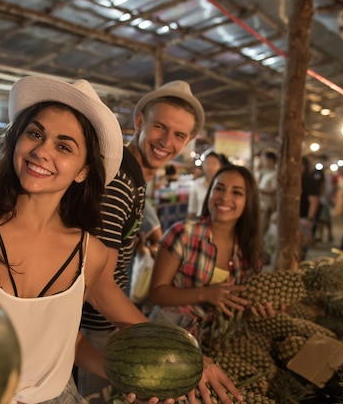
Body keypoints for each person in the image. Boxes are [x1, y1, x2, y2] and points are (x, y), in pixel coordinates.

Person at [0, 76, 124, 404]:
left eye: (63, 146)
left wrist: (130, 377)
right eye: (35, 133)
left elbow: (65, 342)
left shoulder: (91, 254)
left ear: (83, 171)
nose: (42, 150)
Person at [78, 81, 242, 404]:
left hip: (103, 324)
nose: (167, 142)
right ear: (139, 121)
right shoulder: (119, 182)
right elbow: (97, 285)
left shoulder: (134, 180)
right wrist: (172, 349)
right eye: (159, 127)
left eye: (180, 135)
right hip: (87, 328)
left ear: (190, 140)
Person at [147, 165, 268, 340]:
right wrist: (205, 293)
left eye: (237, 192)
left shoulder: (251, 251)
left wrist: (261, 310)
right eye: (219, 188)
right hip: (170, 332)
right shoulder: (183, 234)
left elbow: (240, 306)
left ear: (248, 201)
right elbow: (156, 294)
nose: (225, 197)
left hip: (219, 339)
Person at [187, 149, 225, 219]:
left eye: (214, 163)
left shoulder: (224, 185)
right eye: (207, 163)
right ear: (203, 165)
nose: (210, 166)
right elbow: (192, 210)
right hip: (201, 222)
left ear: (220, 166)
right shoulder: (197, 184)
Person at [257, 149, 277, 236]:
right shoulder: (266, 173)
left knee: (262, 231)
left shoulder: (275, 174)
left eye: (264, 160)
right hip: (262, 206)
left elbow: (274, 191)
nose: (263, 162)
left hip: (267, 207)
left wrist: (258, 190)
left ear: (271, 160)